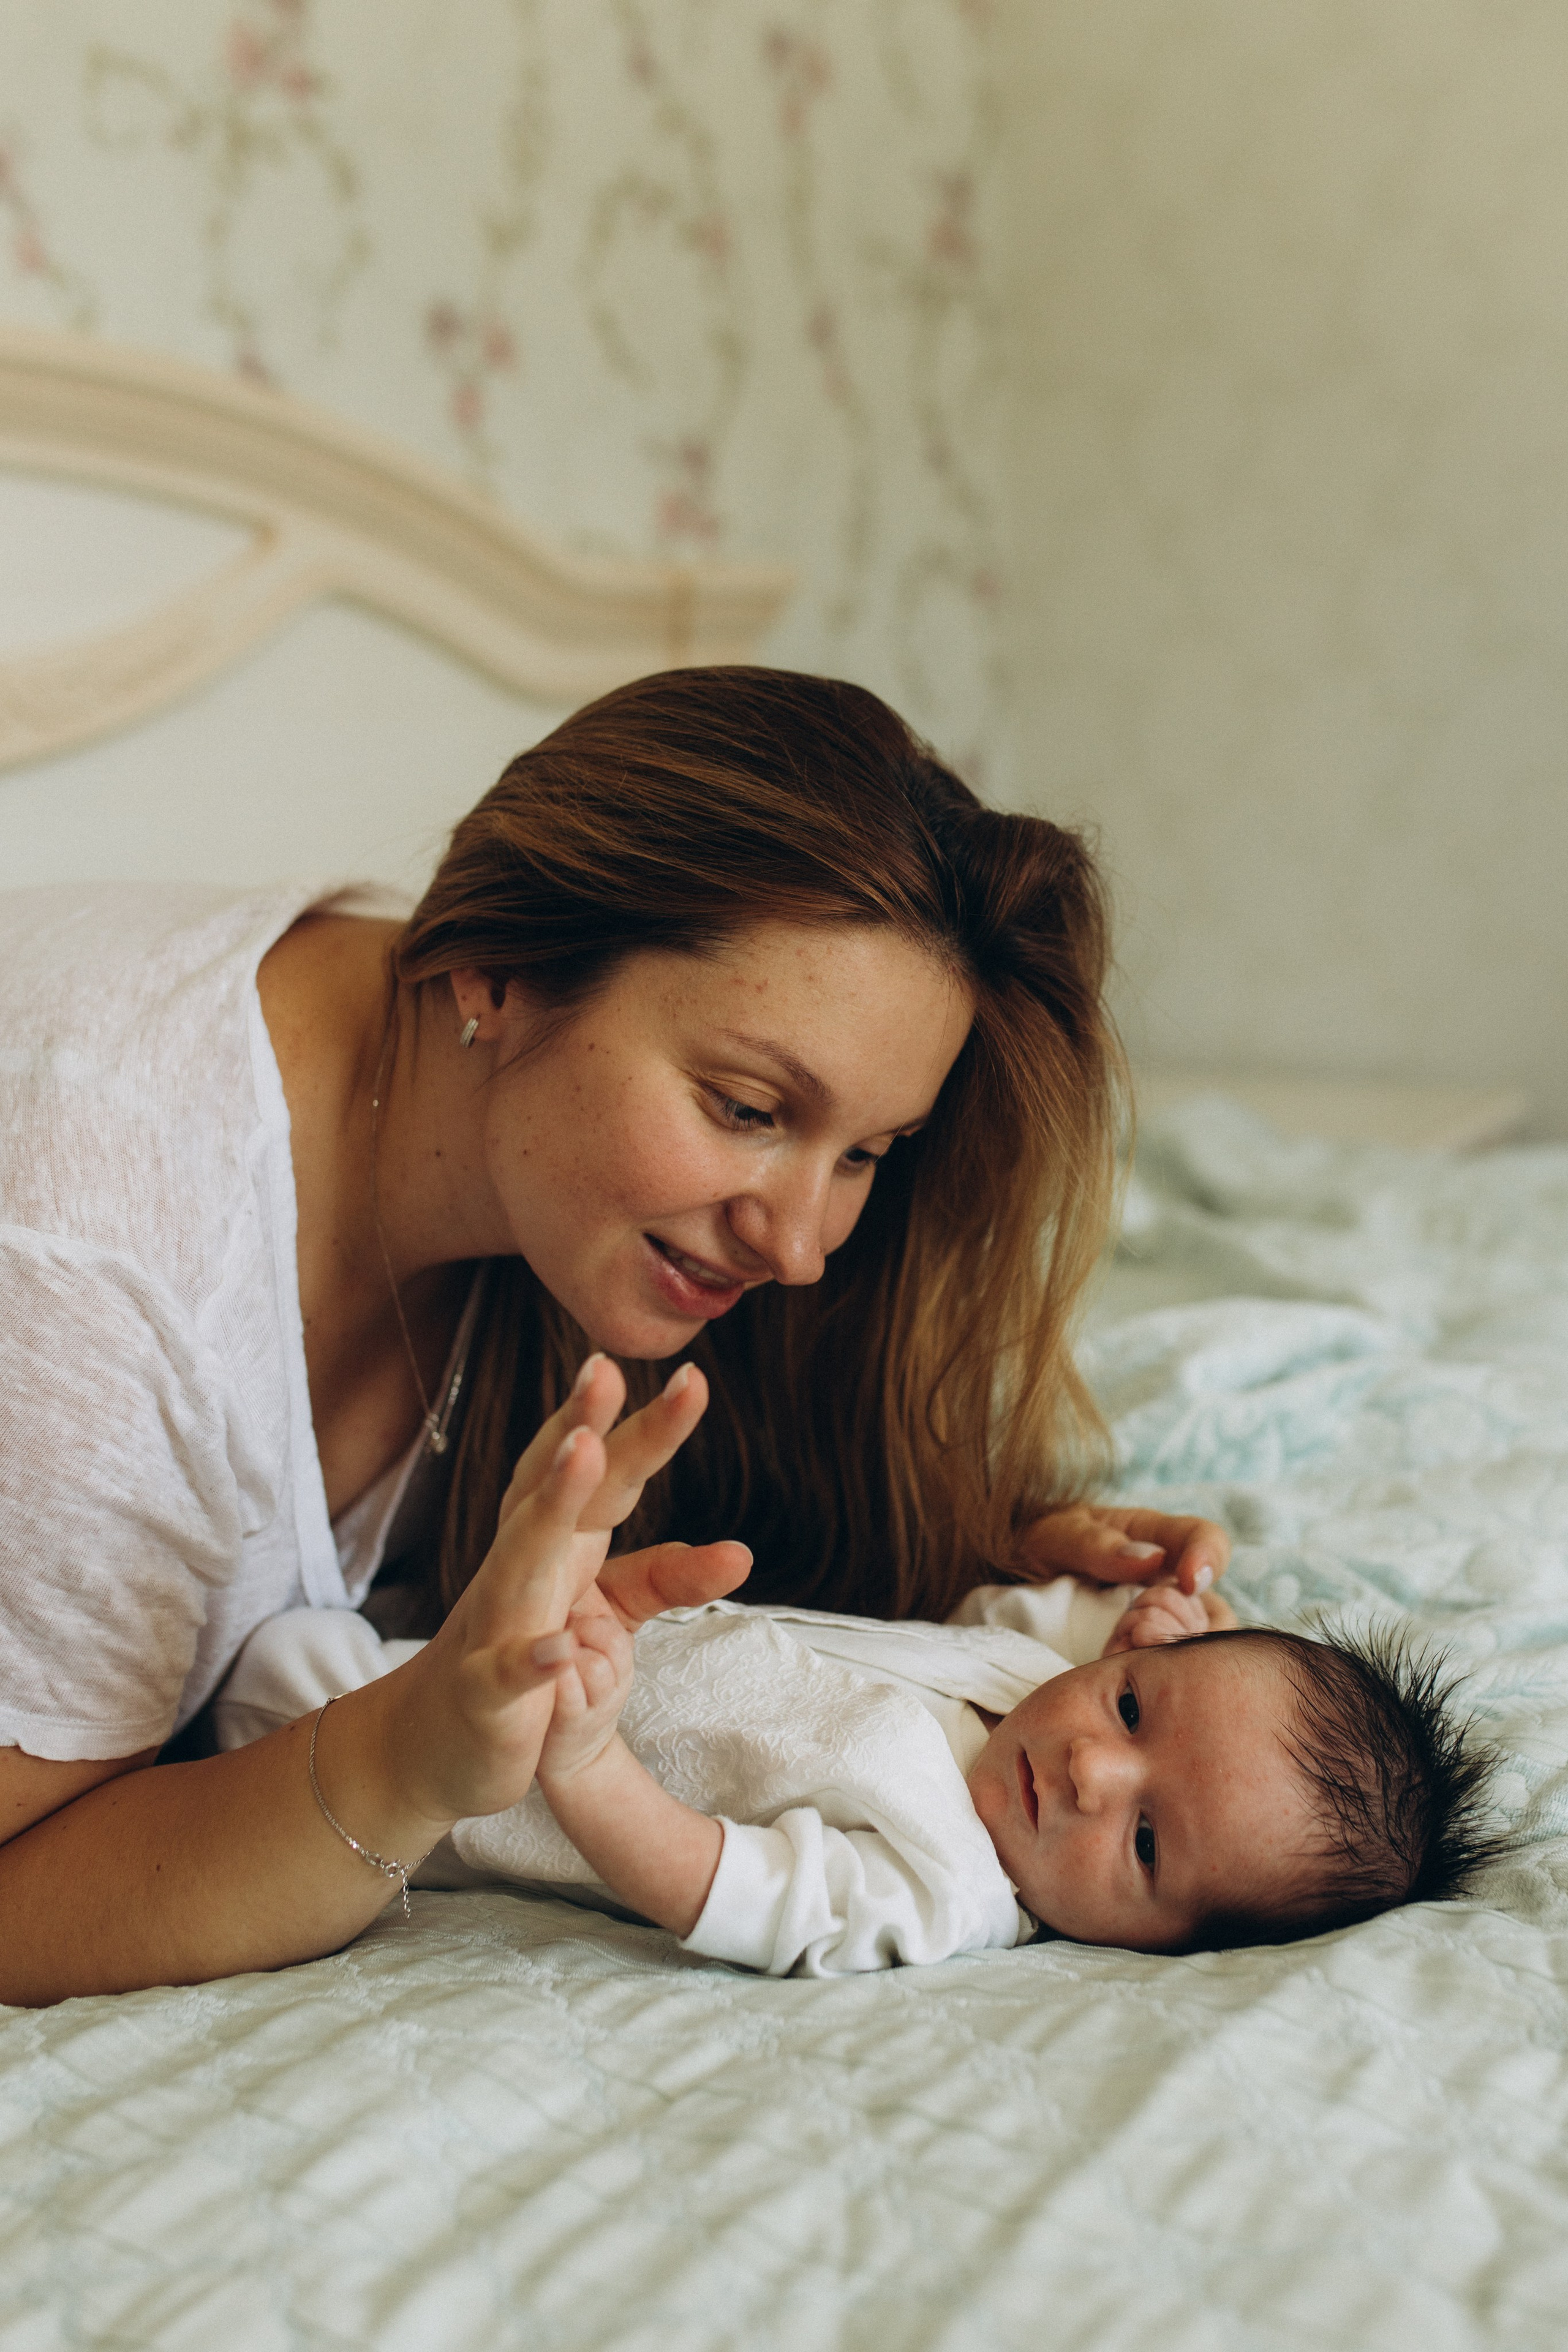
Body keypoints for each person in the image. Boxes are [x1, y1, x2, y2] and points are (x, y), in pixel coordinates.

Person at [0, 666, 1231, 2004]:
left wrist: (975, 1545)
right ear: (503, 968)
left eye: (867, 1152)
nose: (803, 1246)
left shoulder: (501, 1133)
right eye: (747, 1108)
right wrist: (404, 1760)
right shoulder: (91, 1272)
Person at [214, 1392, 1501, 1972]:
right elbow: (1030, 1616)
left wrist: (586, 1763)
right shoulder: (1031, 1682)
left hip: (448, 1794)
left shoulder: (946, 1887)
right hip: (474, 1654)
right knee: (266, 1608)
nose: (1092, 1774)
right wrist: (1152, 1618)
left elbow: (732, 1893)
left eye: (1150, 1843)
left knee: (251, 1698)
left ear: (1170, 1947)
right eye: (1130, 1713)